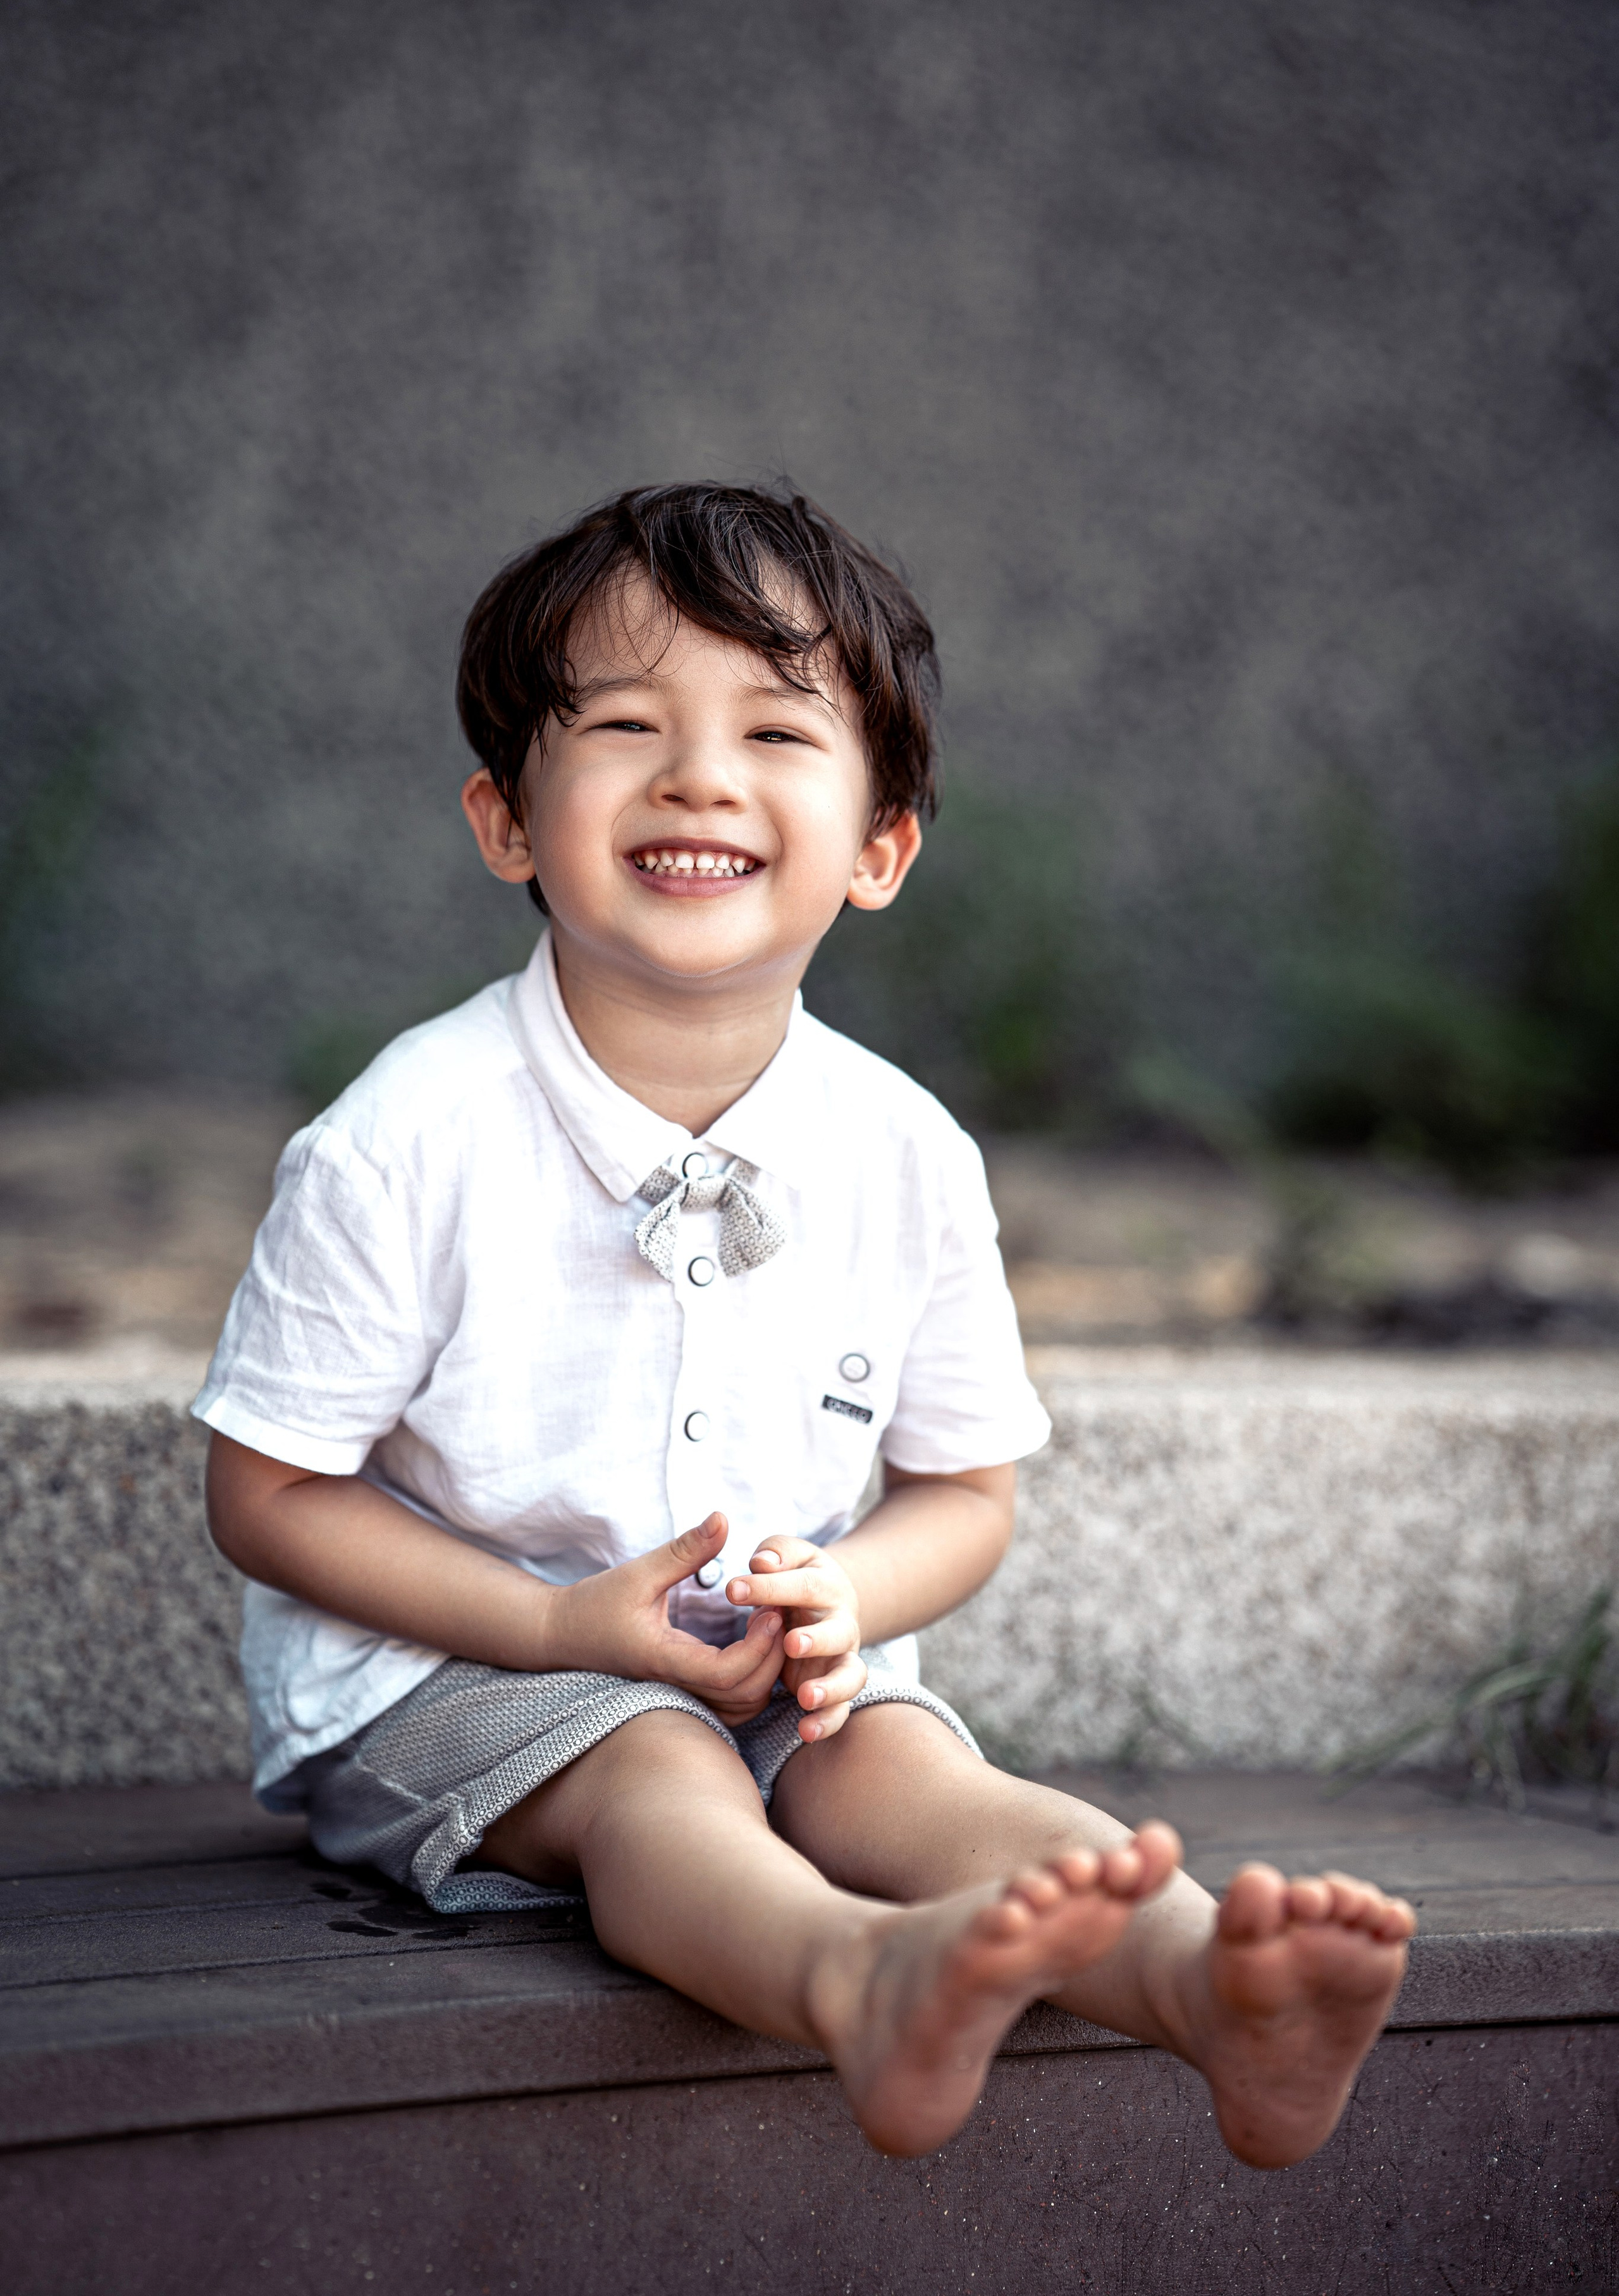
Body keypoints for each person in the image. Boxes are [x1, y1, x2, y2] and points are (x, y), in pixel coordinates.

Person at [200, 483, 1414, 2166]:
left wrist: (854, 1598)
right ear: (506, 818)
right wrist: (560, 1634)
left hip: (783, 1668)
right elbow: (261, 1495)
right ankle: (859, 1979)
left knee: (913, 1779)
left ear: (881, 848)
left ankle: (1216, 1990)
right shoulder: (406, 1139)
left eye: (776, 731)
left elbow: (965, 1495)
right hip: (456, 1673)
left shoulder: (905, 1150)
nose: (699, 774)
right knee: (654, 1775)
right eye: (625, 725)